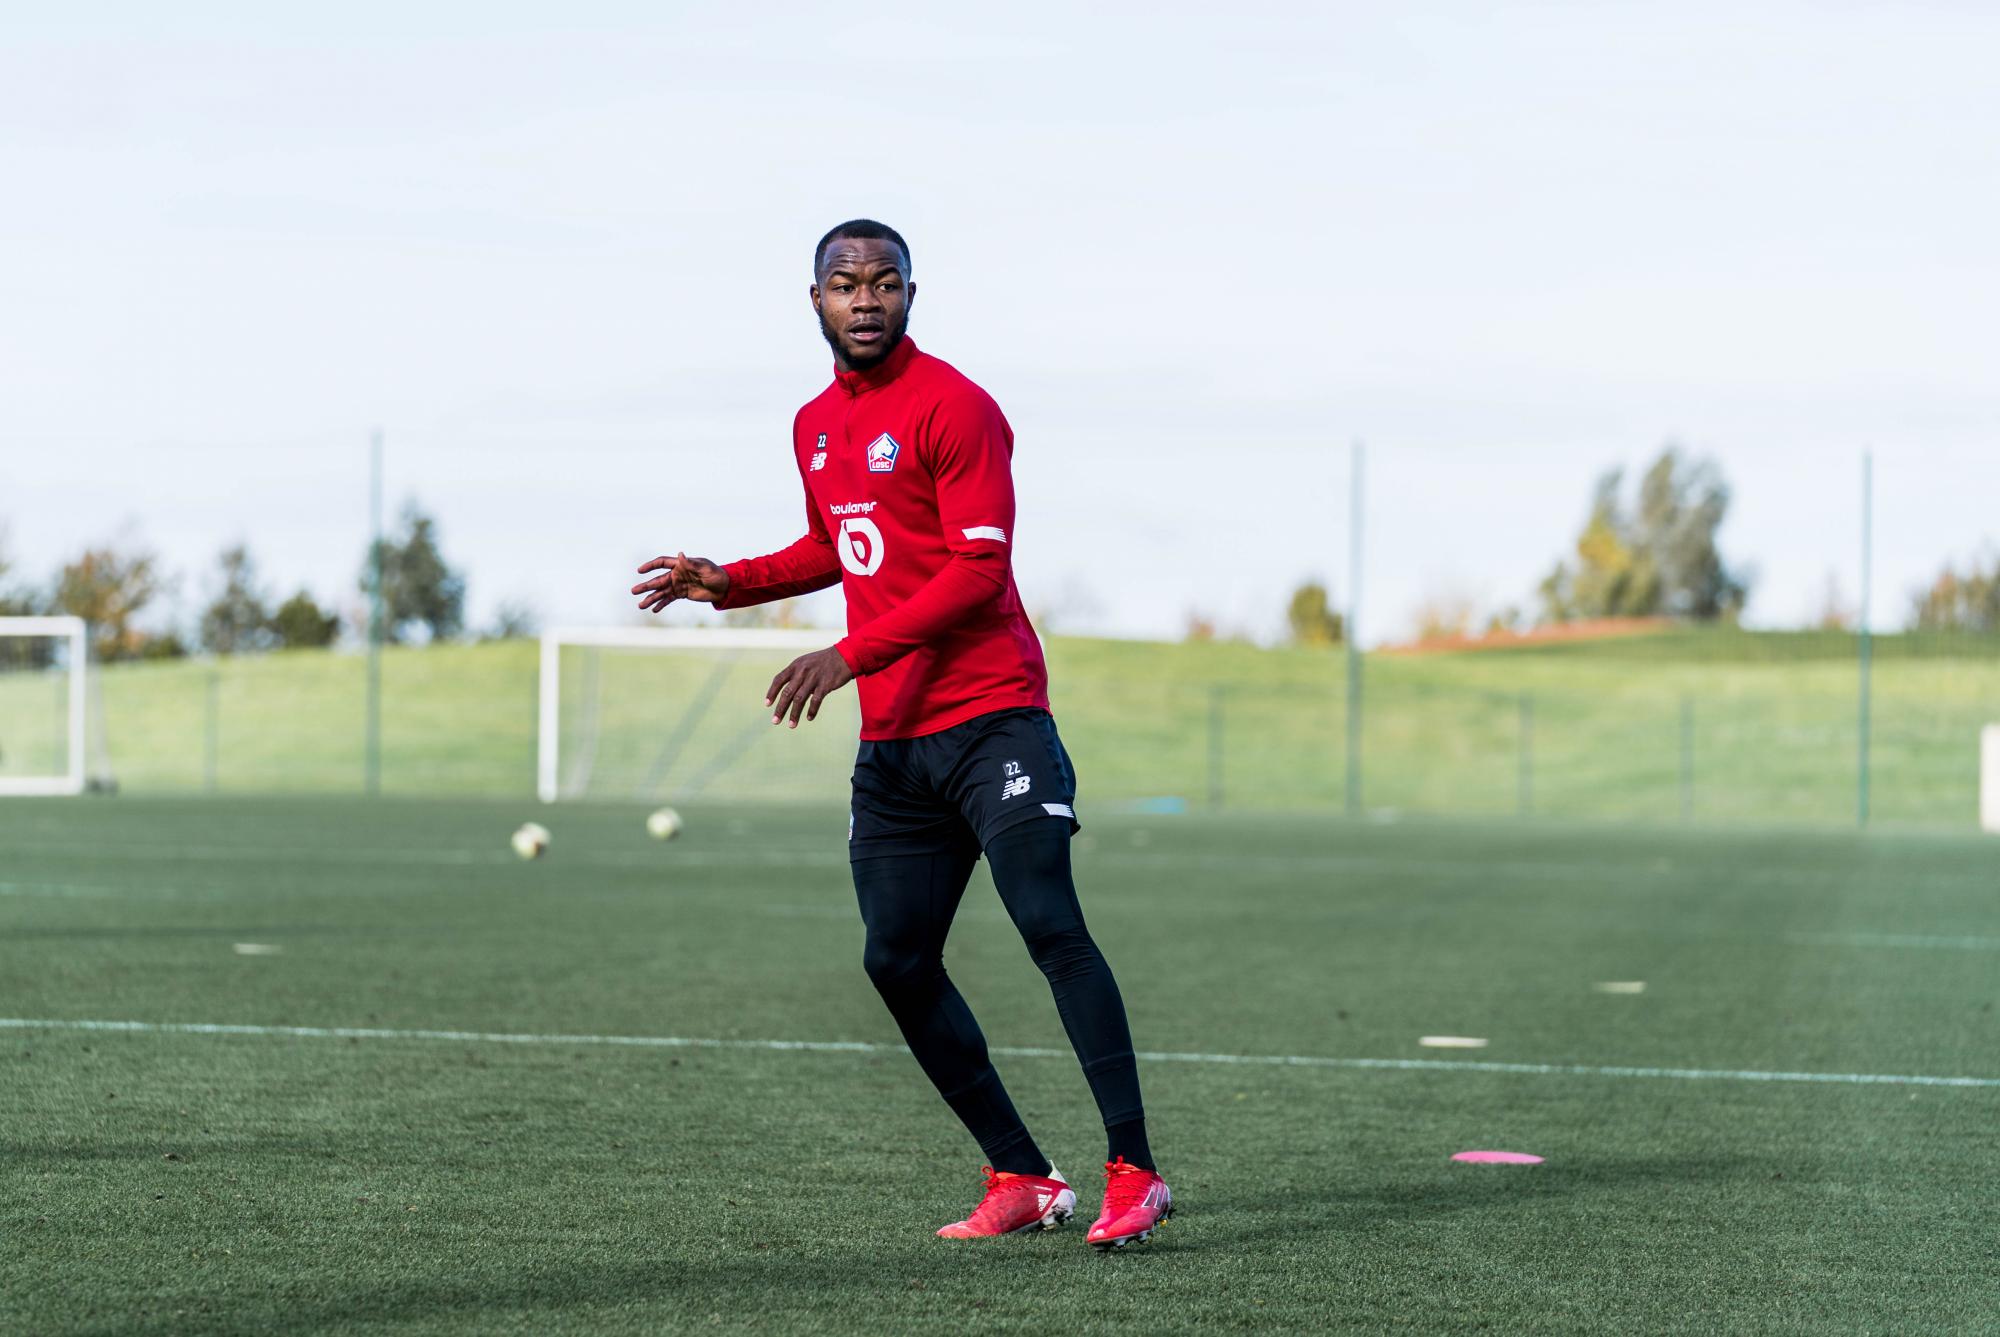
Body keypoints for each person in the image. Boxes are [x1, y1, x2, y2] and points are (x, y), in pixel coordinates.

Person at [630, 219, 1172, 1248]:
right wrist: (729, 583)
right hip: (897, 747)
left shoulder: (957, 408)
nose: (866, 299)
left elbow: (975, 571)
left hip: (992, 718)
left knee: (1049, 927)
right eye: (846, 284)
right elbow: (840, 544)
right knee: (895, 957)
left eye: (884, 283)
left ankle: (1132, 1170)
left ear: (911, 295)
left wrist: (847, 655)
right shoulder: (813, 424)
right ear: (816, 301)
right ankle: (1019, 1172)